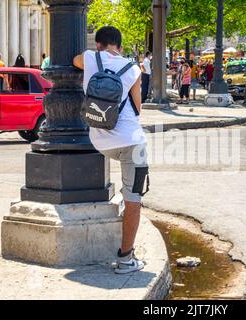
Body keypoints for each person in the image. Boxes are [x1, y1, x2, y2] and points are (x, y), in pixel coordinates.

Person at [73, 26, 148, 274]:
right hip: (131, 141)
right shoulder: (133, 68)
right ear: (120, 46)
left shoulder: (90, 58)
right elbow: (138, 107)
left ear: (99, 44)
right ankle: (125, 259)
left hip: (99, 142)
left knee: (127, 187)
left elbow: (74, 61)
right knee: (134, 199)